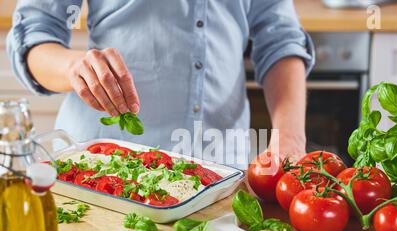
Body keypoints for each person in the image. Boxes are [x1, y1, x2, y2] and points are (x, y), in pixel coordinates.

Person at [7, 0, 314, 168]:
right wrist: (74, 66)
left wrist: (289, 137)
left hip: (219, 171)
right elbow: (34, 33)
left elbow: (280, 38)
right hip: (101, 169)